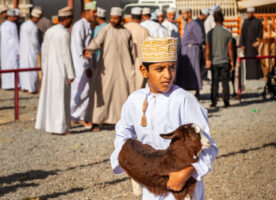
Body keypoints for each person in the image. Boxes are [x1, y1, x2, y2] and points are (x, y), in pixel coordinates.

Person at [110, 37, 218, 200]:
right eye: (160, 69)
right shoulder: (135, 100)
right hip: (151, 185)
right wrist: (129, 163)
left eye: (172, 67)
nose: (168, 75)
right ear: (144, 70)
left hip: (182, 185)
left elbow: (208, 146)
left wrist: (184, 174)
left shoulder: (183, 100)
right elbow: (123, 134)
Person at [84, 7, 135, 131]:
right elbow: (96, 42)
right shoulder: (105, 30)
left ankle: (119, 121)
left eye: (115, 18)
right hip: (106, 69)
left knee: (122, 95)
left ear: (121, 19)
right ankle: (97, 122)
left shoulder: (126, 32)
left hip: (123, 69)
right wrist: (90, 50)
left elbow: (132, 51)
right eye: (111, 18)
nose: (112, 20)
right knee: (103, 94)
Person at [35, 7, 75, 135]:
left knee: (52, 99)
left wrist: (44, 69)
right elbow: (66, 55)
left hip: (50, 71)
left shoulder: (50, 31)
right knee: (60, 100)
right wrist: (71, 73)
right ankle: (60, 128)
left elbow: (44, 51)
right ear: (67, 19)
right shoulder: (64, 33)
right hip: (60, 71)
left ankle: (52, 126)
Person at [70, 1, 97, 129]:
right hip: (80, 65)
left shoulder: (88, 25)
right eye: (93, 12)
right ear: (86, 13)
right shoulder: (79, 26)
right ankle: (76, 117)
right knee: (81, 91)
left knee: (85, 91)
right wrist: (85, 67)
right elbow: (77, 48)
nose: (95, 14)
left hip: (86, 64)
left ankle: (77, 117)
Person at [206, 12, 234, 108]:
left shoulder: (210, 33)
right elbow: (230, 48)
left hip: (214, 61)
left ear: (214, 20)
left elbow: (207, 49)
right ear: (223, 19)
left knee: (214, 82)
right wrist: (232, 61)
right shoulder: (228, 33)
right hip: (225, 60)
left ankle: (213, 102)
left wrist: (207, 60)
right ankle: (226, 102)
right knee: (225, 82)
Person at [176, 8, 203, 99]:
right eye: (182, 14)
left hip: (192, 50)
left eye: (184, 14)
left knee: (194, 69)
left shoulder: (194, 25)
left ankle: (197, 90)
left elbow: (199, 39)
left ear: (189, 14)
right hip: (186, 50)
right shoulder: (188, 24)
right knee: (185, 71)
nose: (183, 16)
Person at [124, 7, 150, 89]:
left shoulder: (124, 28)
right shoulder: (144, 31)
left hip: (125, 63)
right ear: (141, 17)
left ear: (131, 16)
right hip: (140, 64)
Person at [19, 7, 42, 94]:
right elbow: (35, 42)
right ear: (36, 17)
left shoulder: (23, 25)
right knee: (32, 70)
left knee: (24, 69)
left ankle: (24, 87)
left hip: (23, 51)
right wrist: (39, 50)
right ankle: (31, 89)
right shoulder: (33, 27)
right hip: (31, 52)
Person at [240, 7, 263, 80]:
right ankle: (249, 76)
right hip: (247, 44)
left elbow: (260, 33)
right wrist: (242, 44)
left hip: (255, 44)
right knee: (248, 60)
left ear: (253, 13)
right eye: (248, 13)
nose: (249, 14)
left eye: (250, 13)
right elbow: (242, 33)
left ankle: (257, 75)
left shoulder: (258, 21)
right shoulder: (245, 21)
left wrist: (258, 43)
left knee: (256, 60)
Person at [0, 9, 19, 90]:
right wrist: (19, 51)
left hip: (4, 50)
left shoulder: (2, 25)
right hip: (12, 50)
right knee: (13, 66)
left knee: (5, 67)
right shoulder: (12, 25)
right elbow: (15, 39)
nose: (15, 19)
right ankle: (13, 84)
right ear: (10, 17)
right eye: (14, 17)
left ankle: (6, 85)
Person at [195, 8, 210, 81]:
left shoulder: (204, 22)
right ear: (203, 15)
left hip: (204, 44)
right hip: (198, 45)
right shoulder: (196, 23)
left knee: (204, 61)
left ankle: (204, 76)